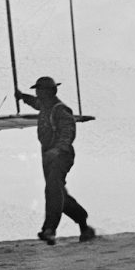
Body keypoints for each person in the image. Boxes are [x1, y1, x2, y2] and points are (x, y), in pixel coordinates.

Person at [14, 76, 95, 243]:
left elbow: (68, 131)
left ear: (49, 92)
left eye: (40, 90)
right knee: (59, 195)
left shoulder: (60, 109)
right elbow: (35, 103)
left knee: (52, 189)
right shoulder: (45, 106)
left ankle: (49, 229)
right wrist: (22, 97)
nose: (37, 93)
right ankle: (83, 224)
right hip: (48, 156)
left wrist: (58, 149)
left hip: (61, 155)